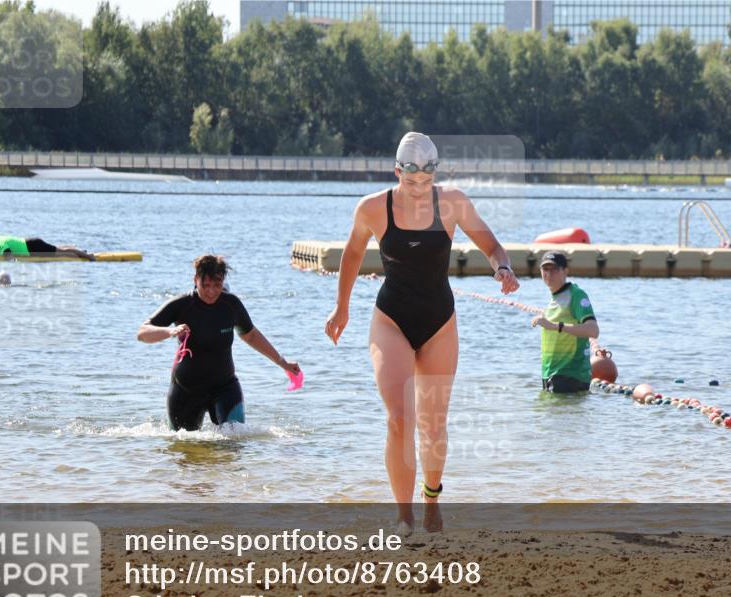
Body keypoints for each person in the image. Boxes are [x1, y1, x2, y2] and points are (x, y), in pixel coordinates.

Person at [325, 132, 519, 534]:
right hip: (390, 319)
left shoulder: (453, 203)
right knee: (399, 418)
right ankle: (403, 515)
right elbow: (354, 253)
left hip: (439, 323)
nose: (418, 190)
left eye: (425, 182)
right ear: (397, 172)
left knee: (433, 425)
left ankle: (432, 498)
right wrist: (341, 307)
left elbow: (491, 245)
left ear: (435, 175)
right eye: (410, 182)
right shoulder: (373, 208)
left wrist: (502, 267)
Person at [137, 254, 300, 431]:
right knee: (183, 449)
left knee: (233, 443)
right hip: (185, 390)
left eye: (217, 284)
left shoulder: (231, 305)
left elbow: (251, 335)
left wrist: (282, 363)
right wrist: (170, 331)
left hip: (225, 388)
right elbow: (143, 332)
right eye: (205, 285)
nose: (212, 291)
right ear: (195, 280)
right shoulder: (182, 305)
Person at [531, 251, 599, 394]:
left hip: (570, 375)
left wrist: (556, 326)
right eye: (545, 269)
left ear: (565, 271)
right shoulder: (553, 299)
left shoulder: (576, 295)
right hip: (551, 373)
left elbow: (593, 330)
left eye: (554, 269)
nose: (549, 274)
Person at [0, 231, 96, 260]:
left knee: (62, 253)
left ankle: (88, 256)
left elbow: (9, 257)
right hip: (32, 244)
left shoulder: (0, 243)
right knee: (59, 249)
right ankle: (81, 251)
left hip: (34, 246)